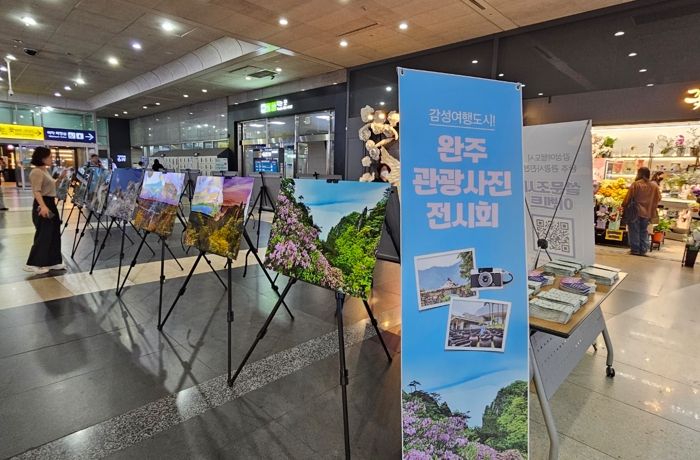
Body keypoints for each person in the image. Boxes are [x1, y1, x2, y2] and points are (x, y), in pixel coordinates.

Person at [24, 147, 66, 274]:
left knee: (53, 232)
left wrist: (60, 178)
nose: (52, 159)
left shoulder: (45, 171)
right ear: (42, 158)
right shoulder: (36, 172)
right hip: (43, 204)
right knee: (44, 233)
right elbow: (36, 191)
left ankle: (53, 261)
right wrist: (43, 206)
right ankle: (33, 263)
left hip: (50, 203)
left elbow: (52, 187)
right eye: (50, 157)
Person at [622, 167, 661, 256]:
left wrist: (624, 205)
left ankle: (635, 250)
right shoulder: (654, 186)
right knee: (644, 231)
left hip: (635, 211)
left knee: (634, 230)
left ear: (640, 174)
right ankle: (643, 250)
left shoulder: (636, 184)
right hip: (648, 212)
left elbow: (628, 197)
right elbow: (658, 198)